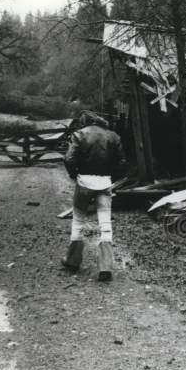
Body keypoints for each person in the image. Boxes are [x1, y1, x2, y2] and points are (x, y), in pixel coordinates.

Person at [61, 111, 126, 281]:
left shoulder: (79, 134)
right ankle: (106, 267)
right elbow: (122, 162)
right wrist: (112, 177)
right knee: (105, 224)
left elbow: (69, 159)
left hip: (84, 182)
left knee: (78, 221)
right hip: (105, 182)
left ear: (86, 122)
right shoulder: (113, 136)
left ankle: (72, 261)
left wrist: (74, 175)